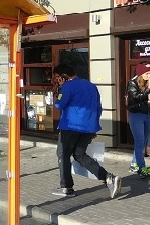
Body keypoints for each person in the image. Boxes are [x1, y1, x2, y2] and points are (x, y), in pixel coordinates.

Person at [52, 64, 121, 198]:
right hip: (89, 127)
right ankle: (108, 178)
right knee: (79, 155)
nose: (57, 80)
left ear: (64, 76)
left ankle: (66, 187)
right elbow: (98, 107)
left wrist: (60, 89)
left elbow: (59, 104)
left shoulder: (68, 86)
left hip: (71, 126)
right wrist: (94, 127)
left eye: (57, 78)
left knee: (63, 154)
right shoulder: (91, 86)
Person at [126, 63, 150, 178]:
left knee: (143, 141)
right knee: (140, 141)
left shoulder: (148, 83)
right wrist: (148, 89)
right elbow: (135, 98)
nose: (149, 76)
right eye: (147, 73)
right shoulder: (132, 83)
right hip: (136, 115)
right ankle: (141, 168)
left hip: (147, 113)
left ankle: (134, 164)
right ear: (140, 74)